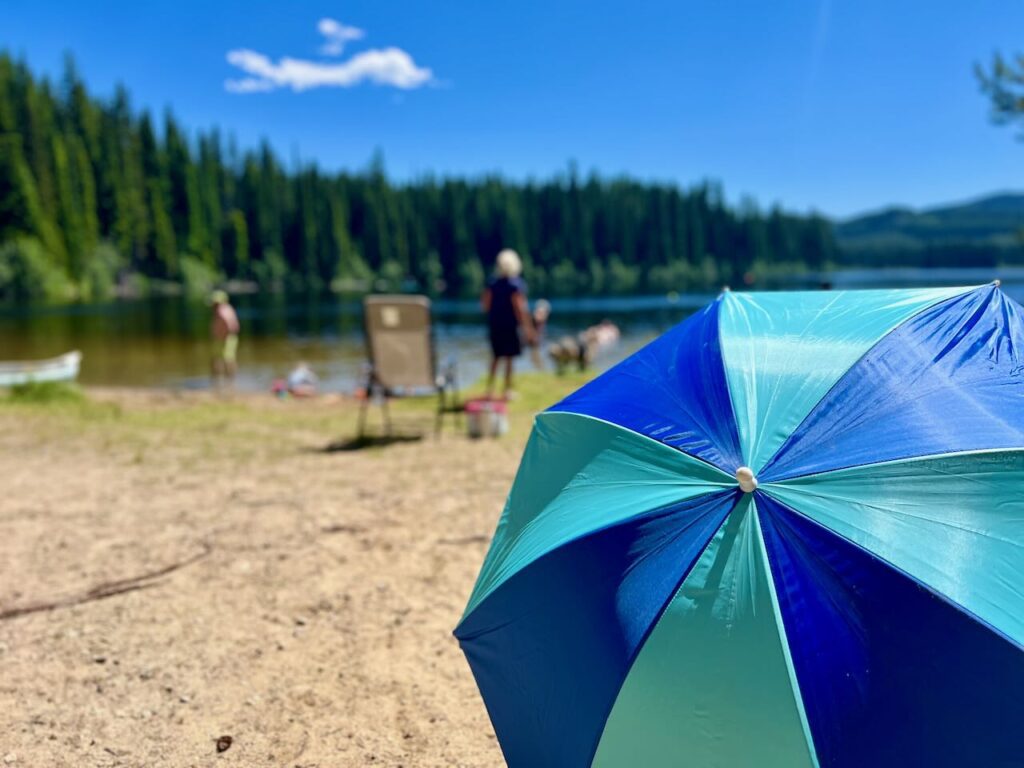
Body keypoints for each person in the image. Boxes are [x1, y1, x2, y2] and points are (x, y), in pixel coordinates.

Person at [482, 249, 534, 400]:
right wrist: (528, 328)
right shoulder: (515, 285)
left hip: (495, 325)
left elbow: (485, 305)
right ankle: (506, 391)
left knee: (495, 357)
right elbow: (520, 309)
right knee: (509, 359)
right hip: (510, 326)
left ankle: (489, 390)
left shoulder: (492, 283)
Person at [210, 290, 240, 382]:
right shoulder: (227, 308)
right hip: (225, 338)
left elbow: (230, 324)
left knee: (226, 359)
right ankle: (228, 379)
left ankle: (225, 379)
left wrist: (226, 334)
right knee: (224, 358)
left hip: (225, 338)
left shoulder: (222, 310)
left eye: (215, 303)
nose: (214, 305)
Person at [529, 299, 551, 370]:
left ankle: (541, 369)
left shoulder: (538, 317)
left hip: (537, 340)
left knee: (536, 356)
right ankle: (541, 369)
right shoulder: (539, 316)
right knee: (535, 356)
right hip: (535, 340)